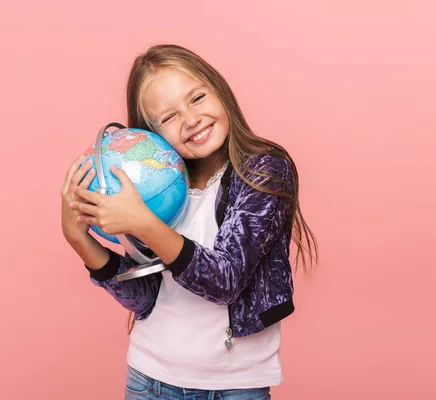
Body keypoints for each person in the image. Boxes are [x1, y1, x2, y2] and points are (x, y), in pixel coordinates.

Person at [61, 44, 318, 400]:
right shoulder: (152, 187)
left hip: (234, 387)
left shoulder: (263, 170)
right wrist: (80, 241)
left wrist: (145, 224)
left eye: (197, 98)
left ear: (219, 90)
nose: (191, 119)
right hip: (149, 379)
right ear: (150, 134)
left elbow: (226, 280)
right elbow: (146, 298)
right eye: (168, 117)